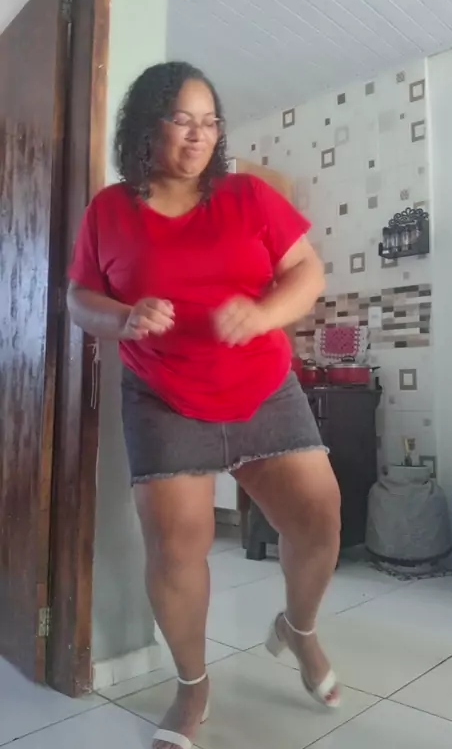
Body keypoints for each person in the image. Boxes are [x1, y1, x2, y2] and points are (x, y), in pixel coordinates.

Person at [67, 62, 341, 749]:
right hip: (164, 397)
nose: (199, 135)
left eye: (210, 122)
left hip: (263, 387)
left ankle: (299, 630)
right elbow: (79, 298)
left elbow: (307, 271)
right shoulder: (109, 210)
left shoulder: (248, 195)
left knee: (318, 518)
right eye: (182, 120)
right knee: (176, 550)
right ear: (147, 126)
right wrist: (124, 316)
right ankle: (192, 686)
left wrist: (264, 313)